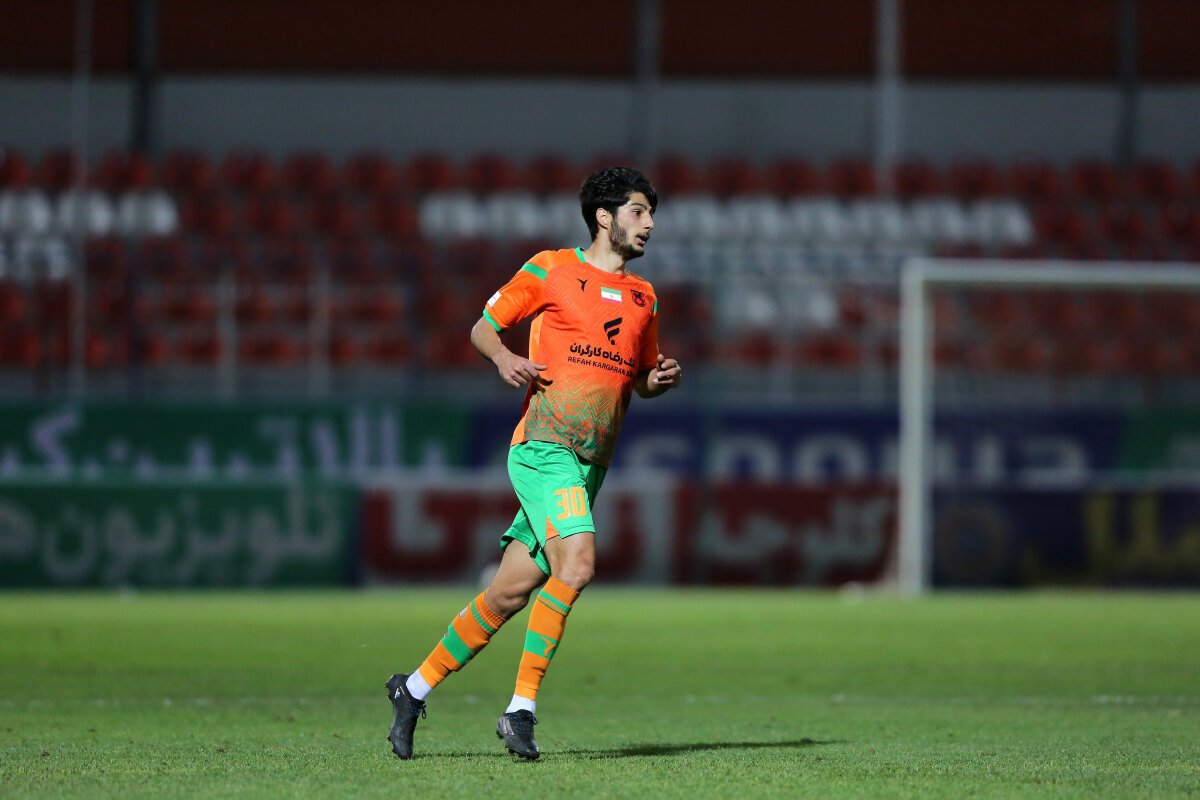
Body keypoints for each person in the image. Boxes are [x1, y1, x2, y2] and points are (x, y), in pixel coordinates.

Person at [385, 166, 682, 761]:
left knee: (508, 593)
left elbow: (638, 379)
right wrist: (503, 359)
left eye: (651, 213)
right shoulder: (550, 269)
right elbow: (483, 328)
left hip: (590, 462)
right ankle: (520, 710)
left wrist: (657, 380)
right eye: (638, 211)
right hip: (546, 447)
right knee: (578, 564)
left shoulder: (645, 297)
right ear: (604, 217)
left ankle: (411, 690)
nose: (649, 223)